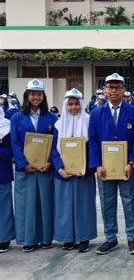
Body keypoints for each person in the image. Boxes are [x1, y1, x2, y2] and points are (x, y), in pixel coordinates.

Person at [89, 73, 134, 255]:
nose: (114, 91)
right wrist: (97, 164)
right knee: (107, 202)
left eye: (117, 87)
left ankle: (132, 238)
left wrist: (131, 162)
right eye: (110, 87)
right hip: (104, 167)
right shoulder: (97, 113)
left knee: (129, 201)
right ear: (105, 90)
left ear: (123, 90)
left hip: (126, 167)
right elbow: (93, 140)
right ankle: (110, 238)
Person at [11, 79, 57, 252]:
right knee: (27, 204)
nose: (36, 97)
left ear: (43, 96)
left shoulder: (51, 118)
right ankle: (28, 239)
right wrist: (23, 163)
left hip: (45, 169)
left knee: (45, 202)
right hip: (26, 170)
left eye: (39, 94)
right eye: (32, 94)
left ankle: (46, 238)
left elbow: (55, 143)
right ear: (27, 95)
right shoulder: (17, 117)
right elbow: (15, 143)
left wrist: (50, 162)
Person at [51, 88, 97, 253]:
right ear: (65, 105)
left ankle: (84, 238)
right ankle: (67, 238)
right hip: (63, 173)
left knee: (83, 205)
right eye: (70, 104)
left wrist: (87, 167)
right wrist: (59, 168)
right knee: (64, 205)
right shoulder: (58, 125)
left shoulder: (89, 122)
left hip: (83, 173)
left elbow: (93, 147)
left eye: (76, 104)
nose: (73, 108)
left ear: (81, 104)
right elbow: (53, 150)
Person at [0, 107, 14, 253]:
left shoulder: (5, 126)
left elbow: (11, 149)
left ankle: (4, 238)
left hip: (1, 172)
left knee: (3, 207)